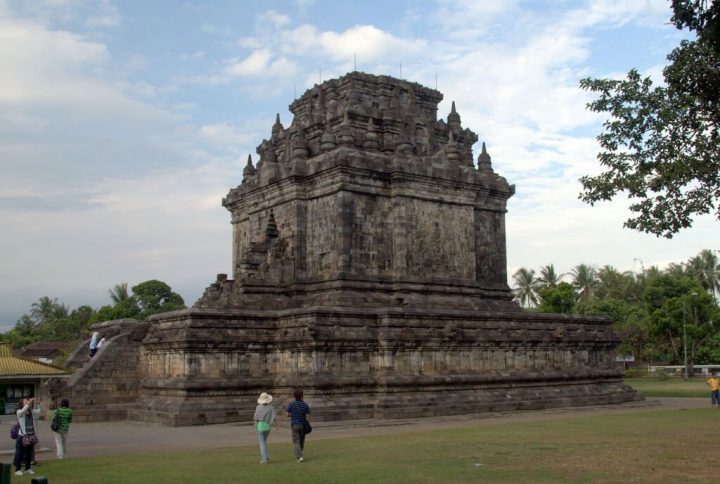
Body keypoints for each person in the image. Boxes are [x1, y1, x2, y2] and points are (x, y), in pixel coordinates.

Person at [13, 397, 38, 476]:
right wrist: (29, 402)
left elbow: (38, 412)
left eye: (27, 401)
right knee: (21, 453)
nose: (27, 402)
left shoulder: (30, 411)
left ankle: (28, 468)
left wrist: (36, 404)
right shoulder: (19, 411)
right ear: (21, 404)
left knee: (29, 453)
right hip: (22, 436)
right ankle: (18, 469)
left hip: (30, 436)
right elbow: (24, 410)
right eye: (25, 401)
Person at [286, 388, 311, 463]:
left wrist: (292, 415)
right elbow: (308, 416)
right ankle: (300, 455)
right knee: (301, 441)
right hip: (302, 424)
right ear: (302, 396)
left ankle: (299, 457)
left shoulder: (291, 404)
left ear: (294, 396)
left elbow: (287, 414)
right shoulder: (305, 405)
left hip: (294, 424)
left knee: (296, 441)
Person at [254, 392, 275, 464]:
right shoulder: (271, 408)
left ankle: (264, 460)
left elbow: (256, 417)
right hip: (268, 427)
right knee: (264, 441)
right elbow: (273, 417)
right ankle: (267, 456)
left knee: (262, 443)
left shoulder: (258, 407)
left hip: (260, 426)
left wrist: (256, 426)